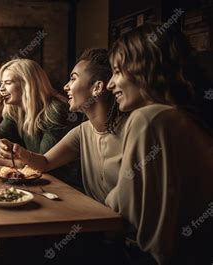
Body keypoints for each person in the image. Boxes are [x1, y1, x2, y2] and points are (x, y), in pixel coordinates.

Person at [105, 24, 213, 264]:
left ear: (144, 67)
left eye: (117, 71)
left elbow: (127, 208)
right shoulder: (184, 117)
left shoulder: (151, 118)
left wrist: (113, 196)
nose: (110, 84)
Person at [0, 48, 127, 204]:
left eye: (73, 79)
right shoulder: (82, 131)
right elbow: (45, 162)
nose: (66, 86)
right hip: (94, 213)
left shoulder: (131, 129)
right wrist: (19, 152)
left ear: (97, 88)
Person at [0, 58, 80, 188]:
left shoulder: (55, 110)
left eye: (8, 83)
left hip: (63, 185)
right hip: (37, 181)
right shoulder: (16, 110)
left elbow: (43, 163)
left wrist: (11, 162)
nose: (1, 88)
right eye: (1, 83)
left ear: (27, 84)